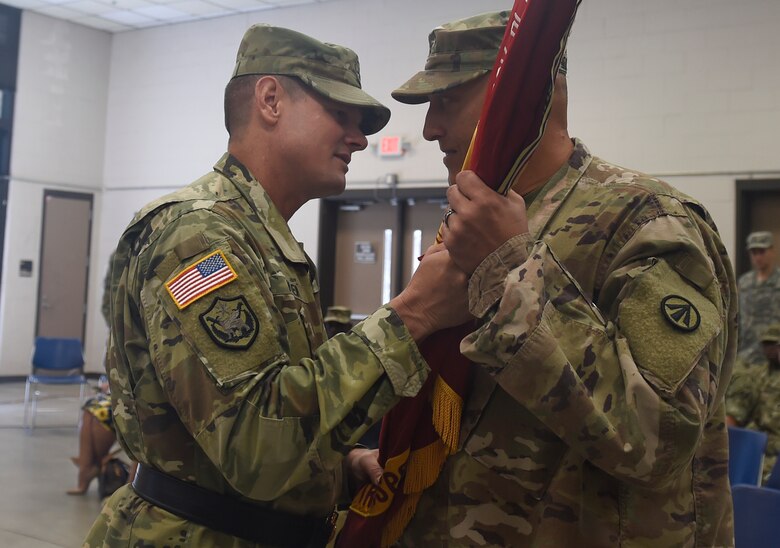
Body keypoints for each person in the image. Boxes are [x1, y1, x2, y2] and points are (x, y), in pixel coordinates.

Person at [85, 24, 470, 547]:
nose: (359, 138)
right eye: (341, 114)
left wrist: (335, 467)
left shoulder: (259, 239)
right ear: (270, 100)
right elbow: (256, 446)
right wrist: (414, 314)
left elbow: (250, 431)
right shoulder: (199, 236)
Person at [384, 10, 737, 546]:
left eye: (448, 101)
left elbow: (659, 437)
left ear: (523, 95)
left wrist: (509, 270)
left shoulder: (646, 221)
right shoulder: (472, 225)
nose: (430, 128)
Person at [727, 323, 780, 482]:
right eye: (767, 345)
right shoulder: (755, 375)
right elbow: (734, 417)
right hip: (755, 451)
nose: (770, 351)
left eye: (774, 345)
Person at [738, 231, 780, 365]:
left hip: (774, 359)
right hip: (746, 357)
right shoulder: (744, 283)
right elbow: (737, 319)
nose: (757, 257)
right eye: (754, 253)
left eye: (761, 252)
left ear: (772, 251)